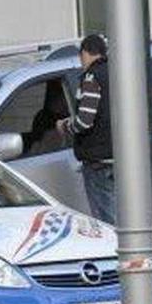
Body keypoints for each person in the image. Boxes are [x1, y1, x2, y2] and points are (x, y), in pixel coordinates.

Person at [56, 34, 115, 224]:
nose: (81, 61)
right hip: (116, 155)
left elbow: (85, 121)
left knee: (105, 219)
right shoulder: (114, 72)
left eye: (80, 56)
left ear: (85, 53)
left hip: (98, 159)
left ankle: (115, 252)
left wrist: (65, 126)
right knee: (119, 215)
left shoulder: (92, 77)